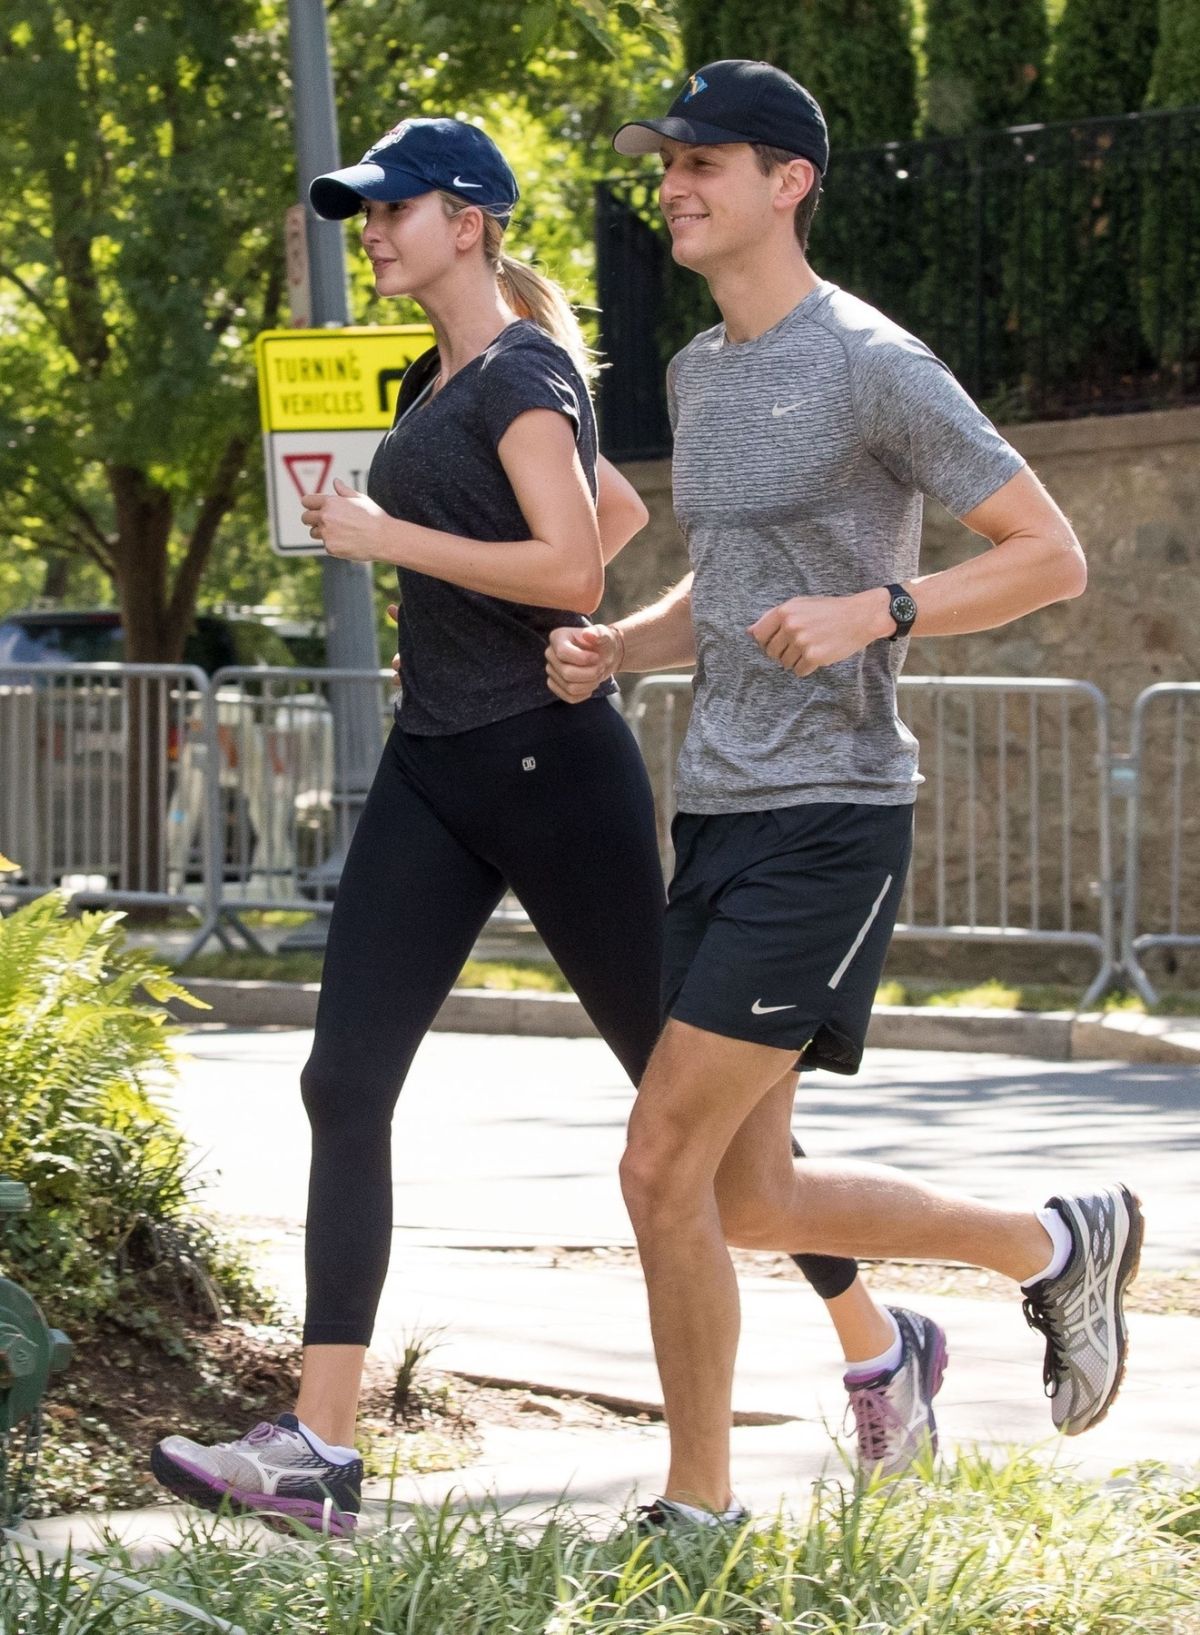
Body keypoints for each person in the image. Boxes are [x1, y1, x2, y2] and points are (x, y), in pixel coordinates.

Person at [149, 115, 936, 1535]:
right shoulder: (434, 376)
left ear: (470, 223)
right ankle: (320, 1449)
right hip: (436, 765)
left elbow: (572, 561)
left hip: (548, 771)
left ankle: (877, 1336)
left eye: (394, 210)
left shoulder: (522, 372)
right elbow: (610, 508)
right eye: (363, 214)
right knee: (342, 1084)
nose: (372, 234)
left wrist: (396, 543)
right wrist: (476, 601)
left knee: (699, 1132)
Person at [545, 60, 1143, 1531]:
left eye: (705, 163)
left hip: (833, 814)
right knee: (748, 1198)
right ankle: (1052, 1245)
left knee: (658, 1161)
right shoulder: (700, 371)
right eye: (667, 164)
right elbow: (730, 586)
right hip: (719, 809)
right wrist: (625, 644)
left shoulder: (874, 361)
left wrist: (882, 609)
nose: (674, 186)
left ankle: (698, 1509)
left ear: (789, 182)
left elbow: (1051, 555)